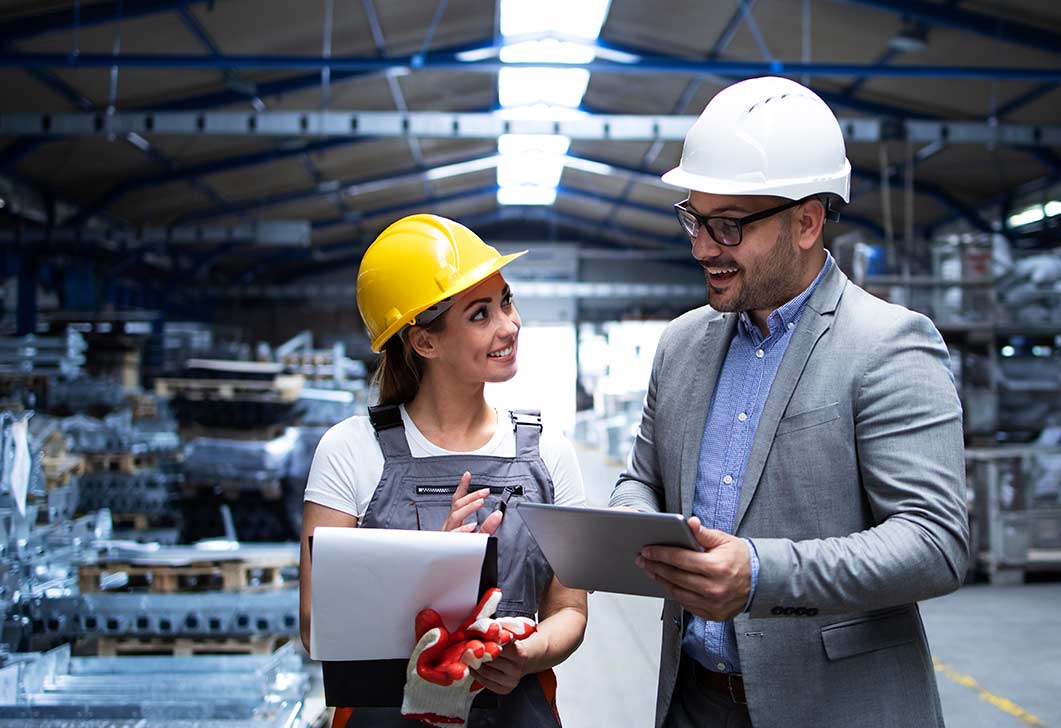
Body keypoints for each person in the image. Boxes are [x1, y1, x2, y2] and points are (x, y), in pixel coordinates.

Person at [609, 76, 970, 728]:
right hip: (692, 700)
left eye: (727, 226)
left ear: (805, 222)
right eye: (694, 219)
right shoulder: (683, 345)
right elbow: (643, 479)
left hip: (831, 708)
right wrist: (631, 527)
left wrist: (760, 575)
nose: (701, 248)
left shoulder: (886, 345)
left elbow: (934, 541)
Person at [299, 214, 588, 727]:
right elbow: (315, 625)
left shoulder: (548, 453)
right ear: (424, 342)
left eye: (506, 301)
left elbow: (570, 611)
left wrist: (529, 652)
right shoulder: (350, 451)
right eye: (480, 315)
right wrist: (434, 573)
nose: (509, 325)